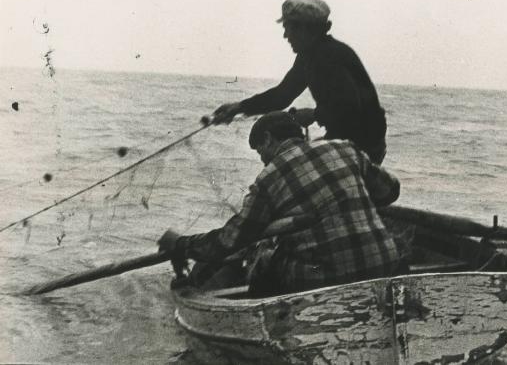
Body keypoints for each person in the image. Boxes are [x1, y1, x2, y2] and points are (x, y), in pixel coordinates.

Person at [159, 111, 402, 295]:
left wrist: (182, 245)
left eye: (259, 151)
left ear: (268, 139)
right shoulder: (346, 149)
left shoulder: (268, 178)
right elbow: (390, 192)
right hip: (383, 263)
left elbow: (231, 240)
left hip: (325, 281)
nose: (263, 160)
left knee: (264, 258)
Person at [212, 0, 388, 164]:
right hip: (346, 138)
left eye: (289, 28)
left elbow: (350, 108)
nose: (286, 36)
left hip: (364, 143)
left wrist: (313, 114)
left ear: (307, 29)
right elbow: (282, 95)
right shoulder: (309, 56)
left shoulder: (329, 56)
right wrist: (239, 107)